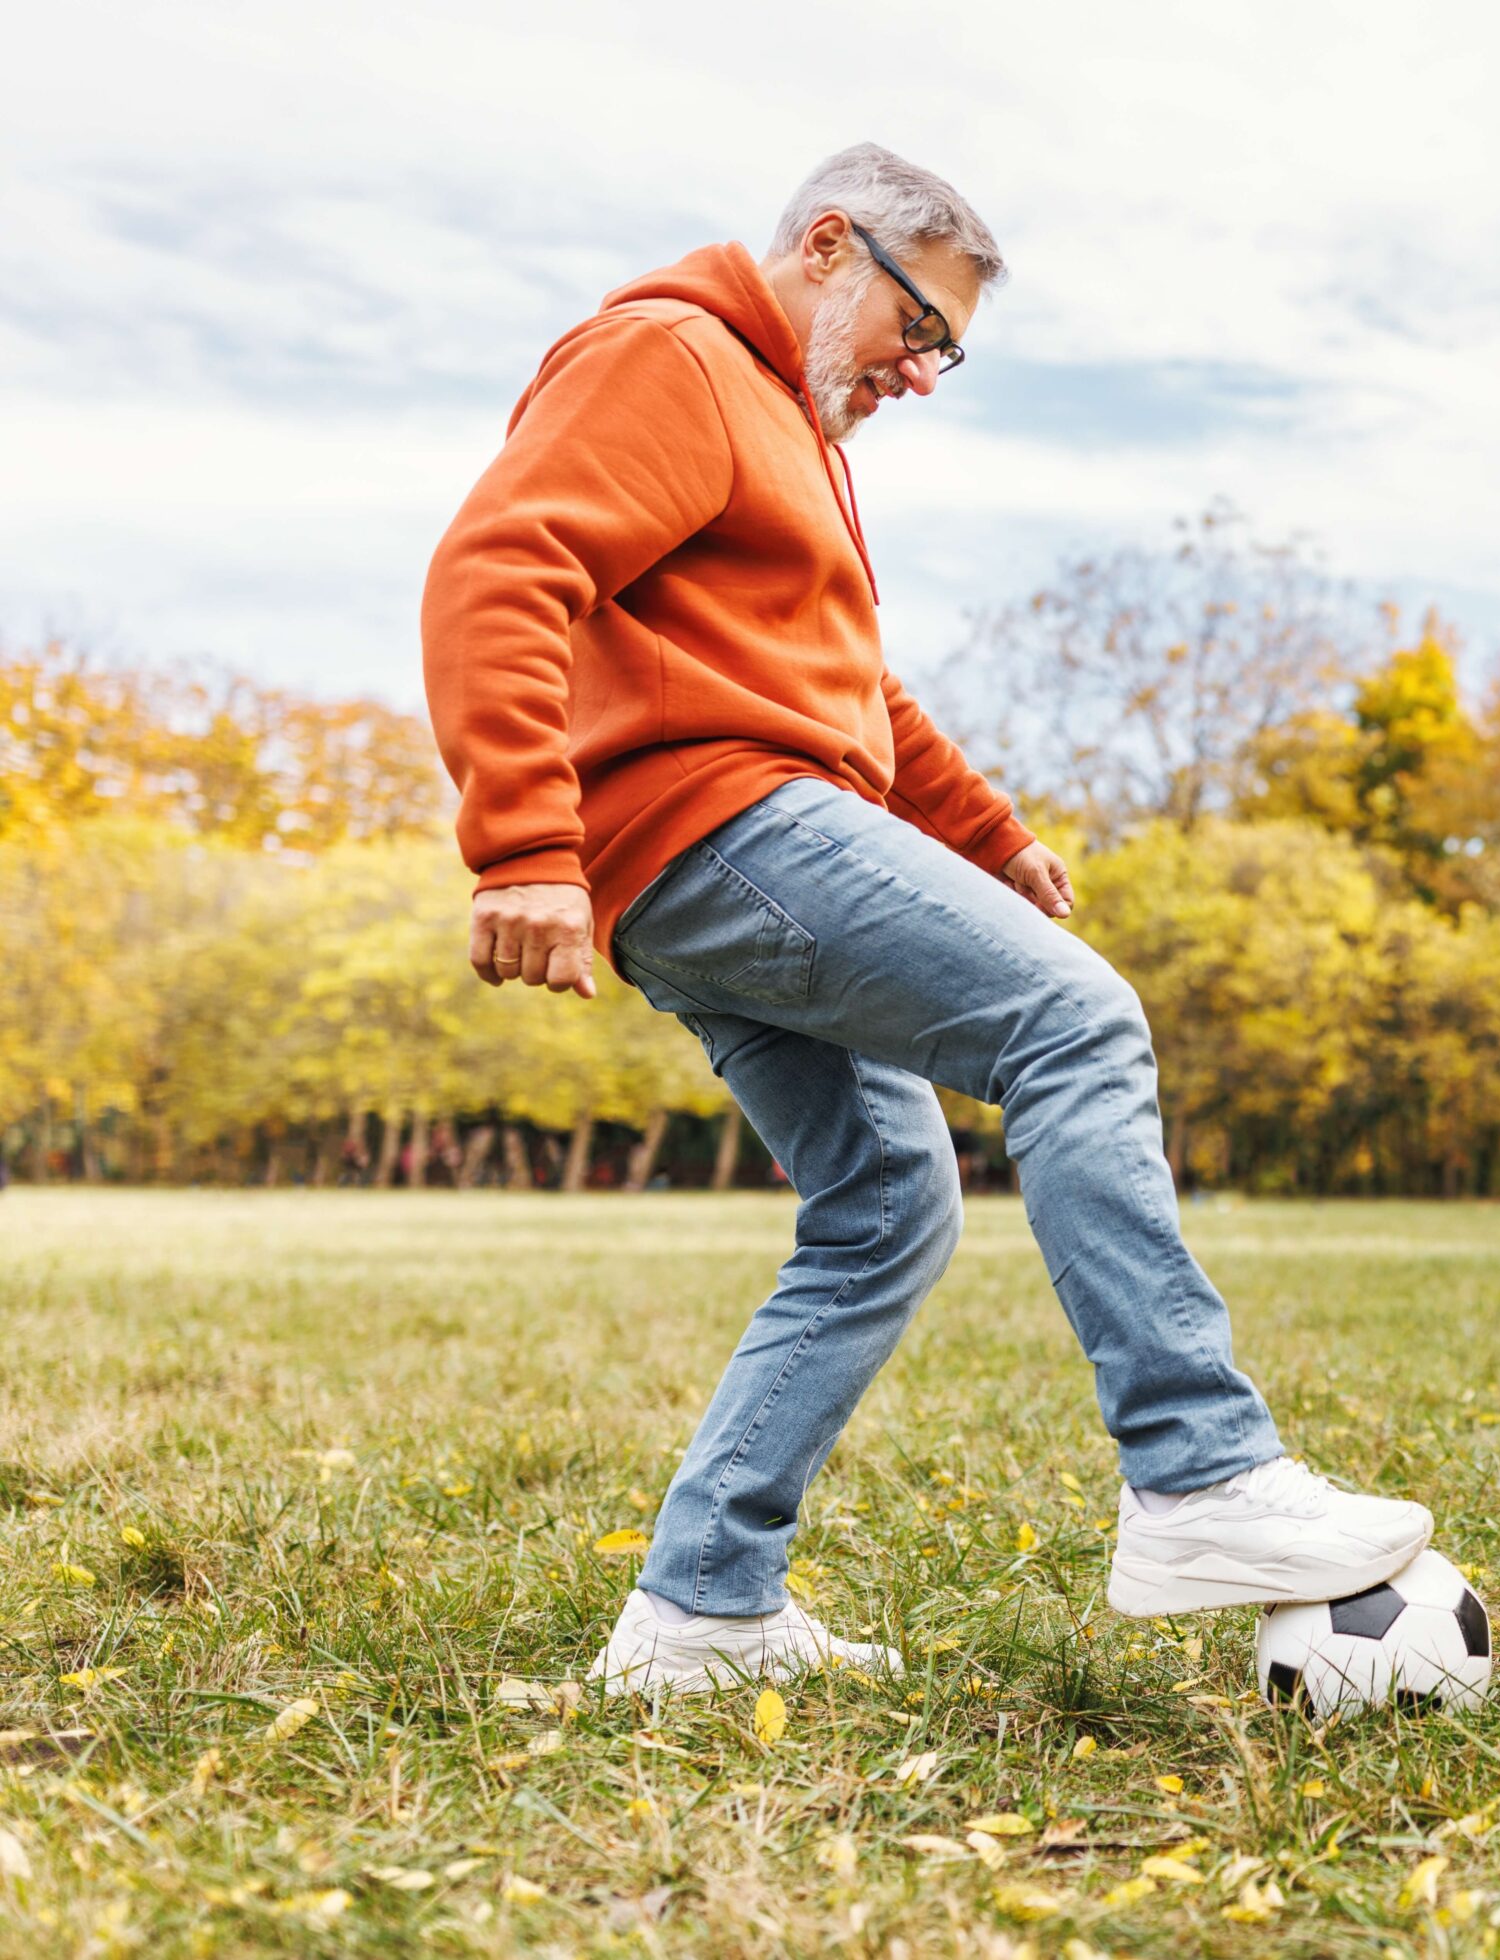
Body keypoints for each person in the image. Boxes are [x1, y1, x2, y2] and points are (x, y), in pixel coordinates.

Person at [421, 143, 1429, 1695]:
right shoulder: (674, 355)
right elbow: (501, 567)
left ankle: (701, 1609)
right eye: (925, 329)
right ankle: (1200, 1477)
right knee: (1076, 1019)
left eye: (949, 349)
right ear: (829, 246)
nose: (927, 372)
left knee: (889, 1205)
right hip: (715, 823)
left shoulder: (787, 431)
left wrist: (987, 835)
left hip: (724, 837)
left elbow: (849, 688)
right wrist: (521, 847)